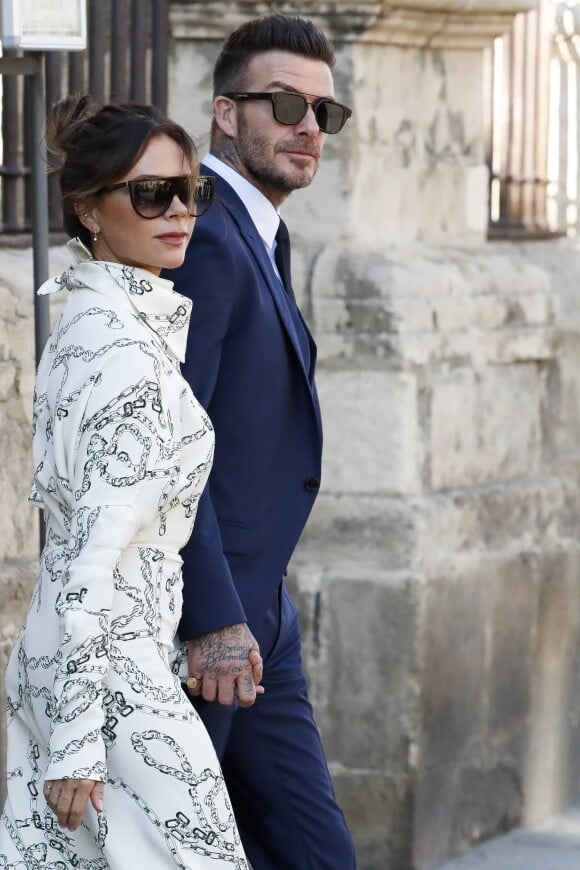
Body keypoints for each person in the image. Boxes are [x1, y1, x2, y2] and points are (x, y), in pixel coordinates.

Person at [0, 94, 250, 869]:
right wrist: (77, 740)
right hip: (108, 677)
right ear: (89, 210)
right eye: (151, 194)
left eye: (190, 191)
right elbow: (88, 560)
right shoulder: (127, 358)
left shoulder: (88, 321)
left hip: (76, 662)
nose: (179, 212)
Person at [168, 14, 356, 869]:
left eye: (323, 112)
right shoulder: (206, 235)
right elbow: (176, 441)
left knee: (309, 851)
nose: (307, 127)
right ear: (224, 112)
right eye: (283, 103)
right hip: (209, 629)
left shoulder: (261, 234)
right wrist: (211, 619)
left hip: (259, 619)